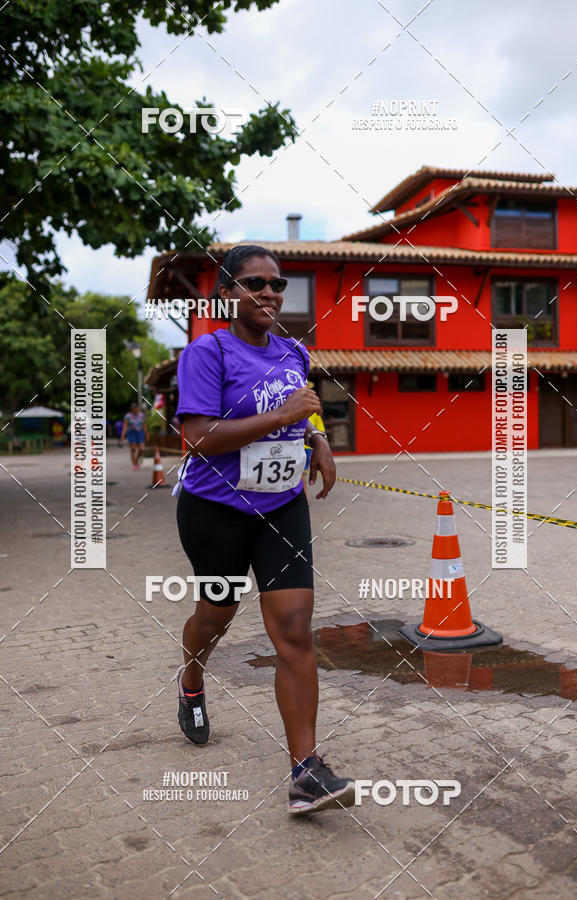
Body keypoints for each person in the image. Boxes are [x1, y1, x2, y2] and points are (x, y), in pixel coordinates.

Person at [174, 244, 355, 815]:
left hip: (281, 506)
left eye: (277, 284)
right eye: (254, 283)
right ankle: (192, 677)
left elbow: (306, 403)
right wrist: (283, 418)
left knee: (296, 629)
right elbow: (199, 436)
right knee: (217, 614)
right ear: (228, 293)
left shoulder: (295, 351)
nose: (270, 293)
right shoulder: (209, 352)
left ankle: (306, 771)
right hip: (215, 510)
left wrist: (318, 439)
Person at [120, 402, 148, 469]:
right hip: (131, 433)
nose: (135, 410)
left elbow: (144, 425)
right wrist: (122, 436)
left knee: (142, 449)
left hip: (140, 432)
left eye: (136, 408)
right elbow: (125, 426)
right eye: (133, 409)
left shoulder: (141, 415)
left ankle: (136, 460)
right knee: (133, 449)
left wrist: (146, 434)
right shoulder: (128, 416)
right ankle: (135, 464)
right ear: (131, 409)